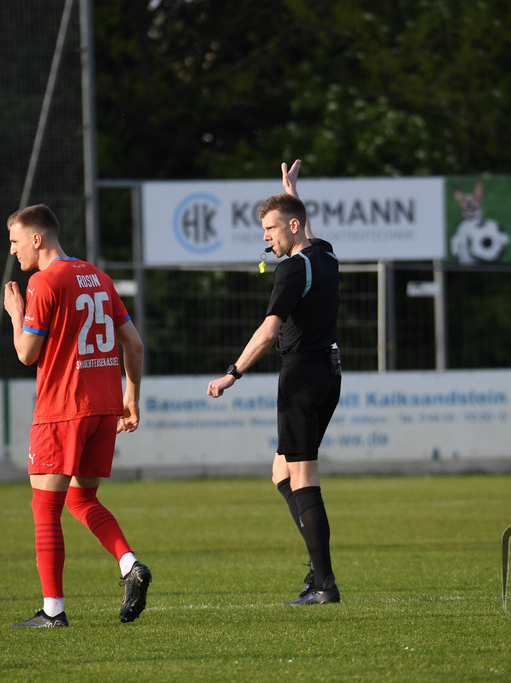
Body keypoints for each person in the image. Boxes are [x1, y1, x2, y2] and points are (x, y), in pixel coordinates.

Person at [2, 204, 150, 627]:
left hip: (62, 410)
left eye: (15, 241)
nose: (12, 251)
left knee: (45, 509)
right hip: (105, 408)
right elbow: (134, 345)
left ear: (37, 238)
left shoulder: (43, 282)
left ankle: (53, 612)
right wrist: (131, 397)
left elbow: (27, 354)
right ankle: (129, 565)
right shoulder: (98, 277)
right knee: (81, 498)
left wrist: (16, 315)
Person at [207, 160, 342, 605]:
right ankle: (317, 574)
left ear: (293, 224)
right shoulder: (325, 254)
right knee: (281, 472)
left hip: (301, 377)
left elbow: (268, 331)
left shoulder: (289, 269)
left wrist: (232, 372)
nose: (266, 236)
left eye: (270, 228)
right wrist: (290, 193)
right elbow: (305, 235)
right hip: (327, 373)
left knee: (303, 477)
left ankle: (324, 584)